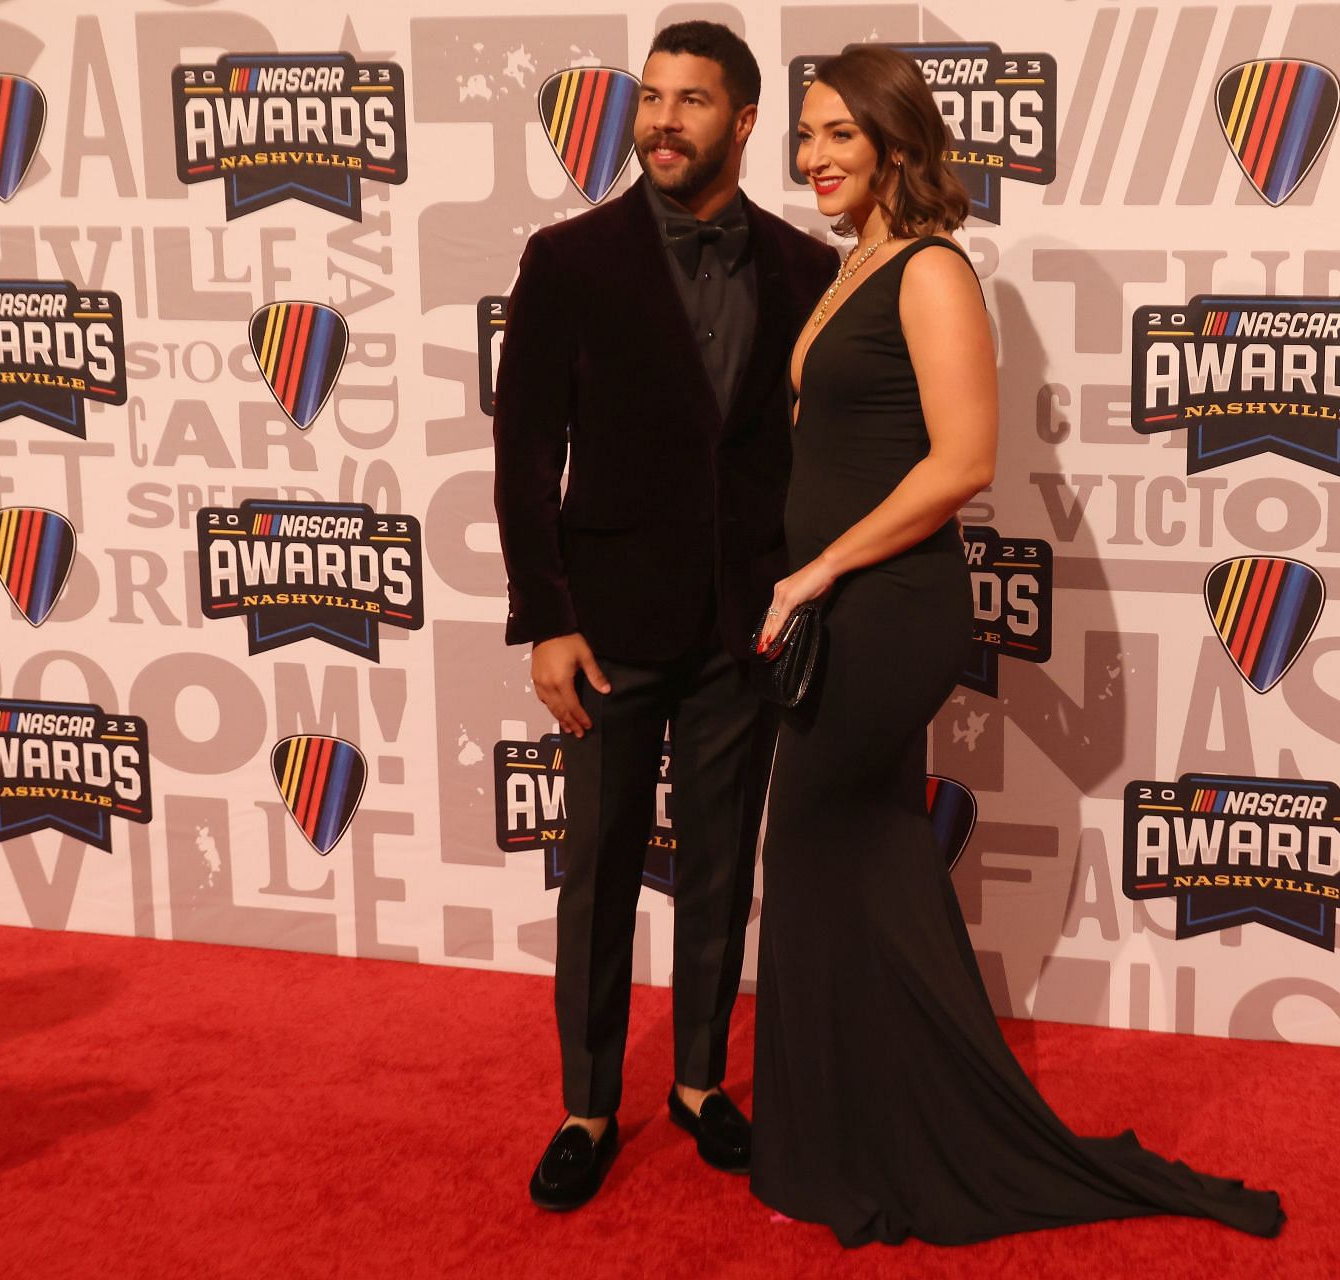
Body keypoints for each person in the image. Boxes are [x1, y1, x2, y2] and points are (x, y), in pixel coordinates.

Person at [748, 44, 1286, 1246]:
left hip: (886, 609)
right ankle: (872, 1132)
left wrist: (825, 563)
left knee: (835, 851)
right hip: (839, 610)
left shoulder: (933, 270)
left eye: (841, 133)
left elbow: (964, 463)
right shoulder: (855, 269)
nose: (816, 156)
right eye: (807, 135)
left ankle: (909, 1139)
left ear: (896, 140)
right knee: (863, 865)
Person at [492, 21, 838, 1212]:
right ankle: (589, 1101)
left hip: (742, 627)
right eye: (652, 98)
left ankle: (698, 1081)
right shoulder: (570, 259)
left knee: (720, 860)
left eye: (693, 101)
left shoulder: (804, 269)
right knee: (593, 869)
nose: (663, 121)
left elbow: (808, 457)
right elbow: (526, 454)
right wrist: (545, 617)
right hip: (610, 628)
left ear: (744, 123)